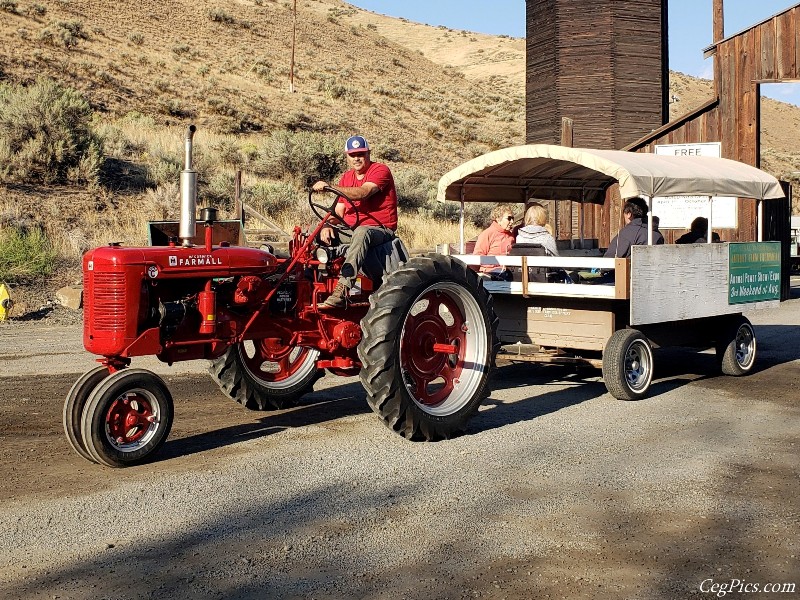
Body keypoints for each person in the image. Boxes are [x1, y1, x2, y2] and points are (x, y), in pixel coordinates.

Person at [312, 135, 398, 308]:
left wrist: (329, 187)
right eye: (353, 155)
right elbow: (339, 211)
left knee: (362, 232)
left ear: (368, 153)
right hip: (351, 229)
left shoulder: (380, 170)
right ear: (347, 157)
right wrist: (326, 226)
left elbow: (363, 193)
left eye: (361, 153)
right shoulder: (347, 177)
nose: (357, 158)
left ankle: (342, 289)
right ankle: (308, 283)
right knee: (312, 233)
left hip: (379, 230)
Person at [474, 203, 516, 278]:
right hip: (491, 273)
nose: (512, 221)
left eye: (513, 218)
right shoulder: (487, 234)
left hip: (509, 272)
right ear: (498, 219)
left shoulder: (511, 236)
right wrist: (497, 263)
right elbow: (478, 256)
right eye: (509, 218)